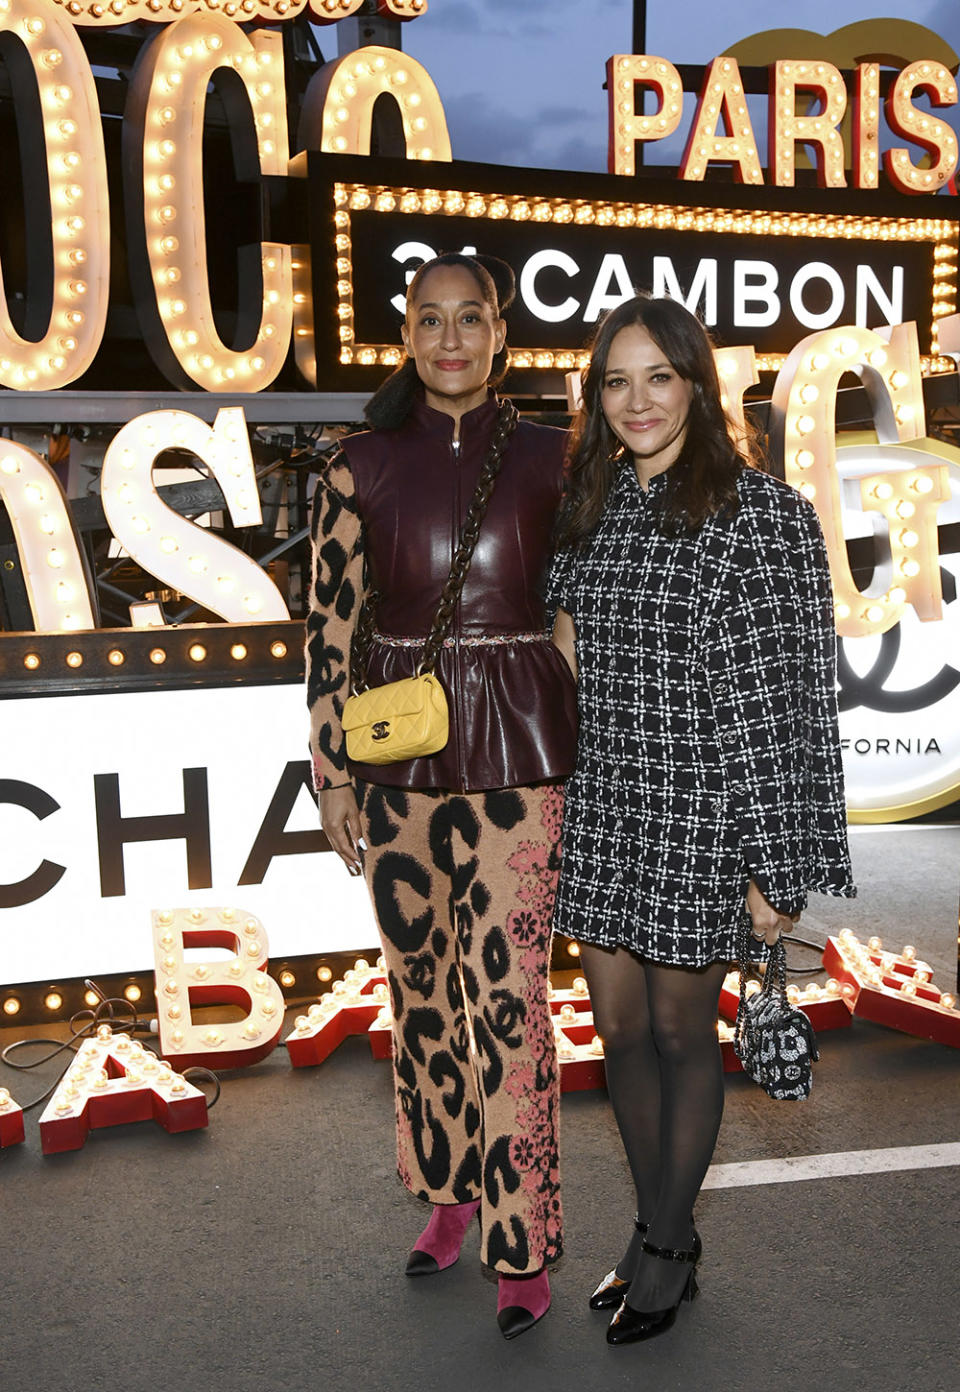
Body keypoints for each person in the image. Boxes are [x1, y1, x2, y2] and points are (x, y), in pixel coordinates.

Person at [548, 293, 854, 1346]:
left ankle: (672, 1247)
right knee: (620, 1034)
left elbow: (790, 701)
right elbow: (563, 656)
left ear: (696, 384)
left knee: (684, 1033)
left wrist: (776, 869)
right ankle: (653, 1223)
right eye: (616, 381)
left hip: (704, 811)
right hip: (605, 808)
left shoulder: (763, 515)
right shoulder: (589, 509)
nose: (636, 401)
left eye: (658, 378)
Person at [305, 252, 577, 1339]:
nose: (451, 337)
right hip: (397, 762)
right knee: (419, 994)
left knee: (512, 1009)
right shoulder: (354, 464)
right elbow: (327, 631)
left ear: (501, 332)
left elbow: (585, 602)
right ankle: (448, 1197)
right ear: (406, 336)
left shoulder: (561, 456)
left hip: (521, 759)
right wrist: (331, 771)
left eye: (472, 318)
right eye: (431, 320)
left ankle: (525, 1243)